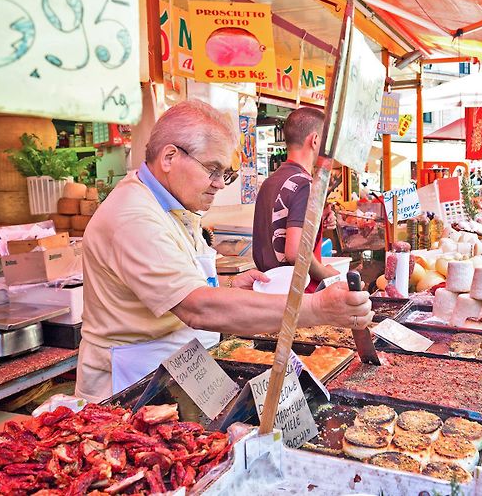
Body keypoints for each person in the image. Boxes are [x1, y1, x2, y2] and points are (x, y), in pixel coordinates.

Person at [75, 100, 373, 403]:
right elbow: (196, 307)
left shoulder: (172, 205)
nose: (219, 184)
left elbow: (180, 283)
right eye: (213, 170)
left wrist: (227, 285)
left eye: (225, 174)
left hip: (178, 370)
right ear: (169, 157)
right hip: (130, 386)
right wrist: (316, 308)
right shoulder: (134, 216)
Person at [252, 107, 339, 291]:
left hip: (269, 291)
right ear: (315, 140)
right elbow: (296, 252)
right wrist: (327, 273)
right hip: (298, 297)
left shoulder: (270, 182)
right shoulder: (306, 185)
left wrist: (318, 219)